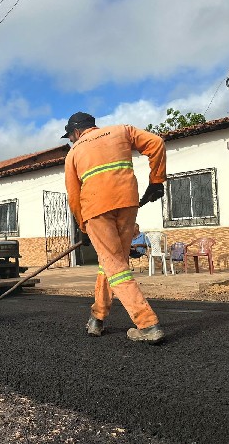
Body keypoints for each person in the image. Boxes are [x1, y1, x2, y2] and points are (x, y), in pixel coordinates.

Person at [63, 111, 166, 343]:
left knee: (115, 265)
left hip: (96, 210)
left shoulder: (74, 153)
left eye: (70, 136)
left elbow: (74, 196)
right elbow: (157, 142)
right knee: (112, 261)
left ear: (77, 132)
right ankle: (97, 318)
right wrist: (157, 180)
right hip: (127, 203)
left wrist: (83, 226)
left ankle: (147, 324)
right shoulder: (122, 130)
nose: (71, 140)